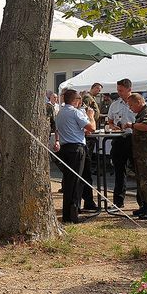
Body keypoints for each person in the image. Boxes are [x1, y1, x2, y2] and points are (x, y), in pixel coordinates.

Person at [53, 89, 96, 223]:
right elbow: (92, 128)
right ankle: (72, 215)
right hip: (76, 149)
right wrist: (91, 116)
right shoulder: (75, 112)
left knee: (69, 182)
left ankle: (70, 212)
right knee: (76, 182)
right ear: (76, 100)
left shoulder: (60, 113)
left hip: (66, 148)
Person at [125, 94, 147, 219]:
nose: (130, 108)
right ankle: (145, 206)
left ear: (139, 102)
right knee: (142, 181)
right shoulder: (142, 112)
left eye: (131, 105)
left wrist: (131, 125)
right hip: (141, 152)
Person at [107, 79, 135, 208]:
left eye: (121, 90)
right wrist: (113, 127)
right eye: (118, 90)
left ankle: (143, 202)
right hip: (119, 139)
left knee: (138, 170)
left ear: (129, 89)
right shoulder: (115, 104)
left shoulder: (137, 102)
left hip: (134, 139)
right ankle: (118, 201)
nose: (119, 93)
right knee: (119, 171)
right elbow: (110, 121)